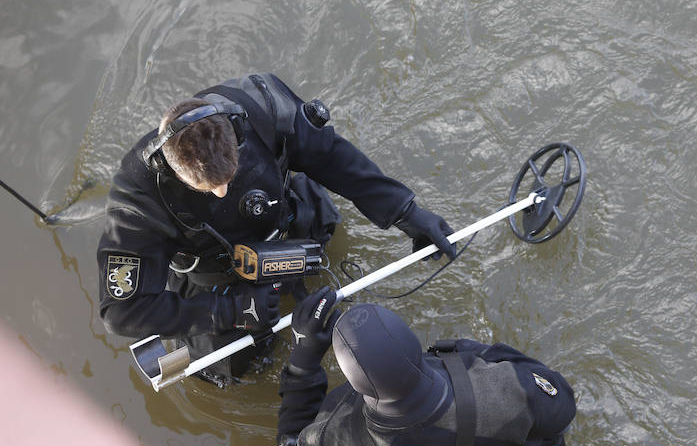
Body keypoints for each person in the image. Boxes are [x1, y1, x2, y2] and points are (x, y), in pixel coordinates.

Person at [96, 73, 455, 386]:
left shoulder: (263, 104)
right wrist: (232, 310)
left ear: (235, 131)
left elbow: (330, 156)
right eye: (208, 188)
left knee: (324, 224)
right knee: (229, 372)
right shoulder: (137, 201)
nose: (222, 192)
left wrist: (405, 211)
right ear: (170, 167)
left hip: (283, 217)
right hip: (215, 273)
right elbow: (122, 313)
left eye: (229, 178)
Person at [275, 287, 576, 446]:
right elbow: (562, 405)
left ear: (355, 382)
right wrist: (469, 352)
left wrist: (303, 358)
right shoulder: (504, 390)